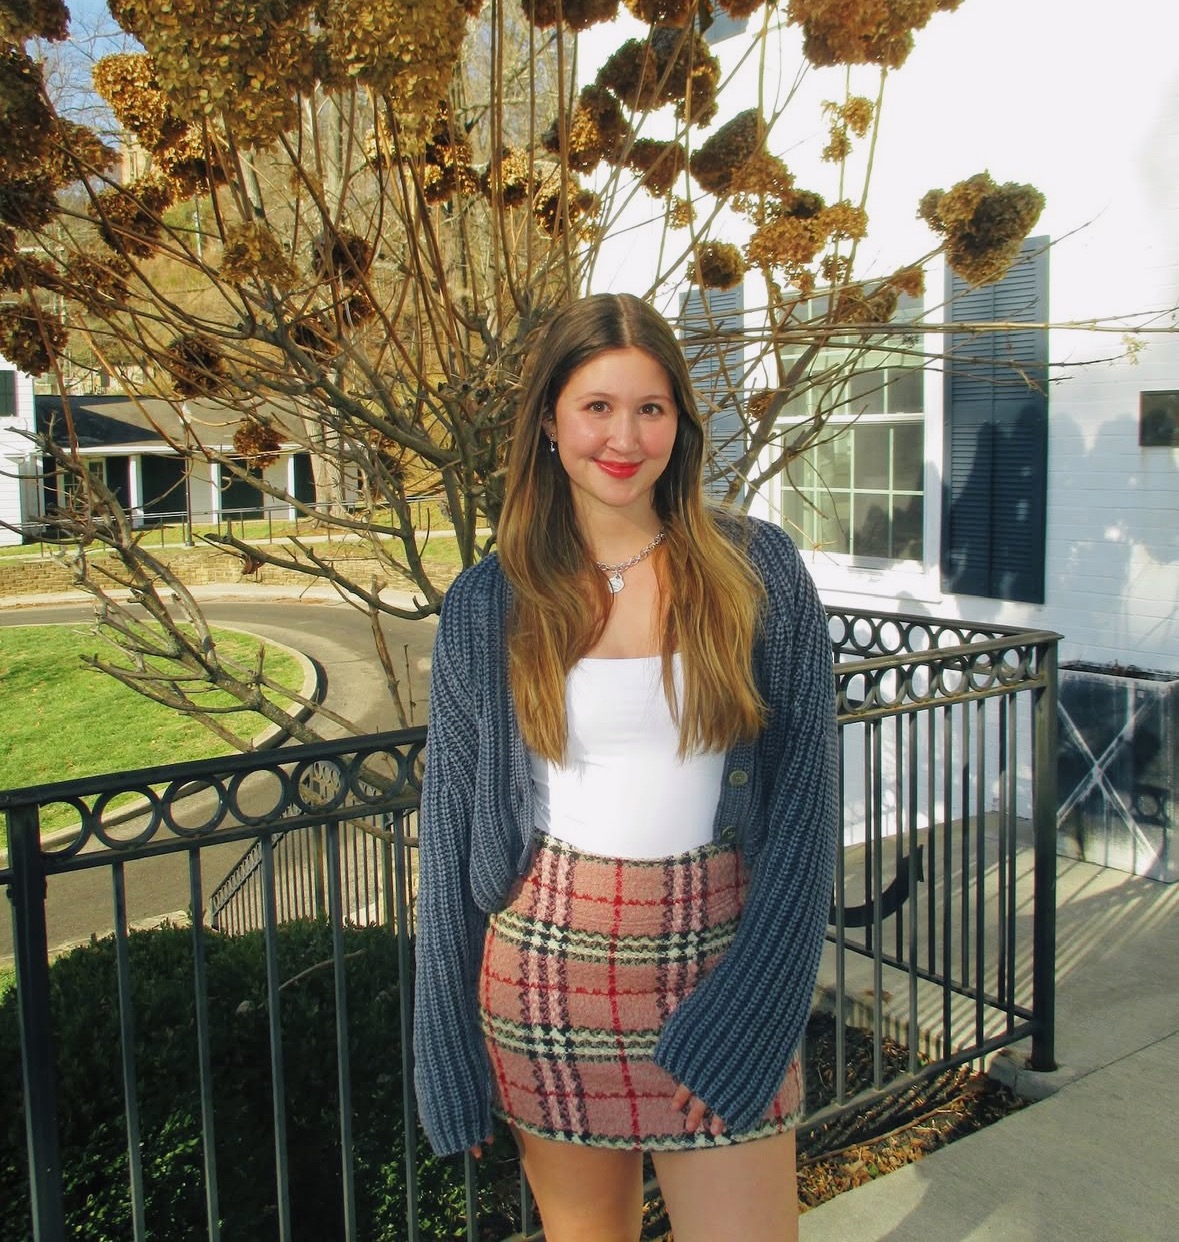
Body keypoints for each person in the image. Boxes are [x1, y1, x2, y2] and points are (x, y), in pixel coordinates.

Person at [413, 292, 838, 1242]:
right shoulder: (488, 601)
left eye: (650, 407)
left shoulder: (757, 570)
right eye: (596, 407)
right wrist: (443, 1043)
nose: (624, 436)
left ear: (680, 423)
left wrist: (755, 1009)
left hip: (725, 958)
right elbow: (447, 837)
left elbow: (806, 808)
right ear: (549, 423)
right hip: (545, 976)